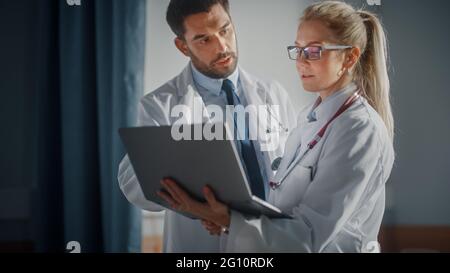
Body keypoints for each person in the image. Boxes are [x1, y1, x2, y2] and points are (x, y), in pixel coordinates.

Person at [158, 1, 395, 252]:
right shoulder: (309, 119)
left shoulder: (359, 130)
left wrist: (228, 219)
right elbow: (283, 211)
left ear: (349, 57)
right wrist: (231, 221)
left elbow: (308, 234)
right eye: (298, 49)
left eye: (314, 51)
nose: (301, 61)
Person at [118, 0, 297, 252]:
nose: (222, 47)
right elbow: (133, 185)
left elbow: (293, 173)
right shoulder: (160, 105)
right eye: (204, 39)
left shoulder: (273, 93)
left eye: (225, 30)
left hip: (271, 242)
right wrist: (181, 162)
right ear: (183, 46)